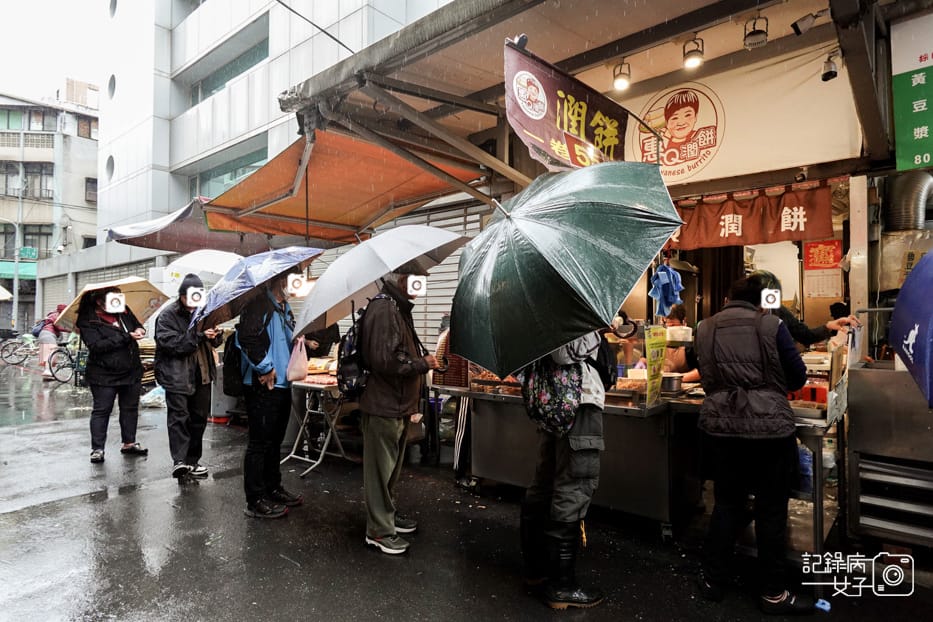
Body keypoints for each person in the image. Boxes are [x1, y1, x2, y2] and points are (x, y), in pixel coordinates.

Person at [694, 274, 814, 615]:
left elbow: (706, 375)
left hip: (720, 429)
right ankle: (773, 593)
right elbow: (797, 377)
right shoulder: (771, 325)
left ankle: (713, 582)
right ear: (762, 300)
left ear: (729, 298)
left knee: (727, 504)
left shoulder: (704, 327)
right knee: (771, 510)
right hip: (769, 432)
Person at [520, 331, 606, 610]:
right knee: (574, 486)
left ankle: (537, 570)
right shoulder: (563, 303)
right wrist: (598, 331)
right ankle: (562, 585)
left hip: (556, 406)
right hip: (576, 405)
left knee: (544, 486)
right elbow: (564, 352)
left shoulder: (535, 305)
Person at [358, 270, 439, 555]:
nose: (420, 284)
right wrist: (422, 364)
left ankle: (387, 517)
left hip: (397, 404)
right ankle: (378, 531)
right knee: (380, 472)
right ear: (401, 278)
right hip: (383, 404)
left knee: (390, 470)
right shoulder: (384, 309)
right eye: (417, 277)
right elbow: (386, 360)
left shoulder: (397, 308)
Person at [237, 272, 304, 519]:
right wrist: (265, 367)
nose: (294, 284)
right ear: (278, 280)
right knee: (259, 443)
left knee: (275, 440)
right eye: (290, 279)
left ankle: (273, 487)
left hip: (283, 383)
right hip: (262, 383)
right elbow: (246, 338)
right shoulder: (258, 305)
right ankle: (255, 499)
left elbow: (285, 339)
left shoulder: (283, 308)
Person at [154, 274, 223, 480]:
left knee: (199, 419)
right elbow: (172, 345)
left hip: (202, 374)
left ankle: (193, 460)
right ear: (182, 296)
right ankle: (180, 461)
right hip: (177, 376)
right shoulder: (168, 316)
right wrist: (200, 336)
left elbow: (214, 343)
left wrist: (216, 335)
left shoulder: (205, 313)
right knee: (178, 419)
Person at [77, 288, 148, 464]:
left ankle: (129, 443)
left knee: (130, 408)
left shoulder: (123, 311)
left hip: (130, 370)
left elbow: (137, 325)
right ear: (99, 302)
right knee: (102, 410)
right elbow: (96, 346)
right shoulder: (89, 319)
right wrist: (126, 337)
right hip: (103, 374)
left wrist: (139, 330)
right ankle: (97, 449)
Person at [750, 270, 859, 346]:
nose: (766, 307)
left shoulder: (779, 311)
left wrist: (828, 326)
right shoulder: (739, 315)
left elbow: (806, 335)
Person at [662, 304, 700, 382]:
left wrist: (676, 380)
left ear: (684, 322)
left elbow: (702, 371)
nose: (670, 329)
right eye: (667, 325)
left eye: (673, 325)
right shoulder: (659, 338)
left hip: (686, 386)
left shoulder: (691, 343)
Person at [38, 303, 68, 379]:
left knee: (47, 353)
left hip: (43, 334)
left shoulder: (52, 314)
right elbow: (58, 326)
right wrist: (71, 330)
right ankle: (48, 371)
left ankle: (48, 372)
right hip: (49, 335)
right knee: (52, 352)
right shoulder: (56, 316)